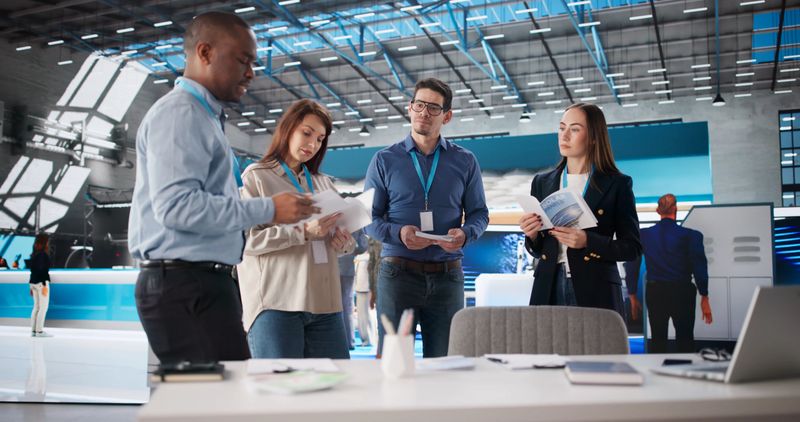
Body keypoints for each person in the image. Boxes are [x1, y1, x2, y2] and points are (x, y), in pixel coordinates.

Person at [128, 12, 317, 364]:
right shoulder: (181, 114)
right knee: (219, 402)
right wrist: (269, 209)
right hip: (185, 287)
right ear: (204, 53)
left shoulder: (204, 115)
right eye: (243, 60)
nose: (251, 72)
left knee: (216, 401)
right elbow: (177, 207)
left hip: (199, 282)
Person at [364, 78, 489, 358]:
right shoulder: (384, 160)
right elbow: (369, 218)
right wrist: (399, 234)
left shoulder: (465, 161)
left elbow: (480, 214)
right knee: (394, 364)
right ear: (409, 108)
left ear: (447, 116)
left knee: (447, 364)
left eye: (433, 108)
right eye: (419, 105)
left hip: (448, 276)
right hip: (397, 274)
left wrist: (466, 233)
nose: (424, 113)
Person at [237, 99, 355, 359]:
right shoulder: (257, 177)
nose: (313, 144)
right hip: (276, 304)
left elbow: (345, 244)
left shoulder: (324, 183)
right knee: (280, 393)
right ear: (288, 129)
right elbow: (244, 242)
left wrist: (344, 243)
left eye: (320, 139)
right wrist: (301, 232)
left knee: (335, 393)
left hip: (326, 306)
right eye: (307, 133)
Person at [519, 102, 642, 317]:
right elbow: (539, 249)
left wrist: (588, 241)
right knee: (547, 349)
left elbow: (632, 248)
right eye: (561, 127)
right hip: (548, 285)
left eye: (574, 129)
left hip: (596, 287)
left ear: (594, 136)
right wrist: (532, 235)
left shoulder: (617, 184)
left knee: (594, 350)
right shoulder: (542, 182)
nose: (564, 136)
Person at [639, 193, 712, 353]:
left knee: (658, 339)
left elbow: (632, 264)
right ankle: (684, 373)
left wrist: (631, 294)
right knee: (685, 338)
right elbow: (700, 266)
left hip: (655, 292)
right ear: (676, 209)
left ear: (658, 211)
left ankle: (656, 373)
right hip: (683, 291)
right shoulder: (692, 236)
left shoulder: (644, 235)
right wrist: (704, 296)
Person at [338, 229, 368, 350]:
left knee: (332, 307)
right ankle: (349, 342)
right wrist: (350, 250)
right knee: (347, 307)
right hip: (347, 268)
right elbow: (362, 246)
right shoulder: (354, 222)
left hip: (328, 268)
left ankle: (340, 341)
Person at [29, 233, 51, 337]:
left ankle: (34, 331)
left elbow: (33, 271)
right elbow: (42, 270)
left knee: (36, 307)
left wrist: (31, 286)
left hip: (33, 283)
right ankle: (39, 331)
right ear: (45, 242)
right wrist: (44, 285)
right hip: (41, 283)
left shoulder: (34, 254)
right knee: (43, 307)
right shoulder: (43, 255)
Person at [353, 250, 375, 347]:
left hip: (364, 288)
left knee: (365, 315)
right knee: (364, 315)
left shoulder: (364, 258)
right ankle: (368, 338)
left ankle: (368, 339)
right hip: (361, 287)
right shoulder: (360, 258)